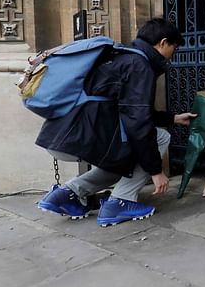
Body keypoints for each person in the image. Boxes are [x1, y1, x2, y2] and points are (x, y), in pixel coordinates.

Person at [35, 18, 196, 226]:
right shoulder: (139, 66)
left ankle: (69, 193)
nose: (173, 54)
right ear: (163, 42)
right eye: (174, 47)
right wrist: (156, 172)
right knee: (159, 137)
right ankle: (121, 201)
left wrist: (173, 118)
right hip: (82, 137)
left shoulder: (121, 56)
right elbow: (138, 123)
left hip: (63, 135)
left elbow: (131, 111)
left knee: (126, 156)